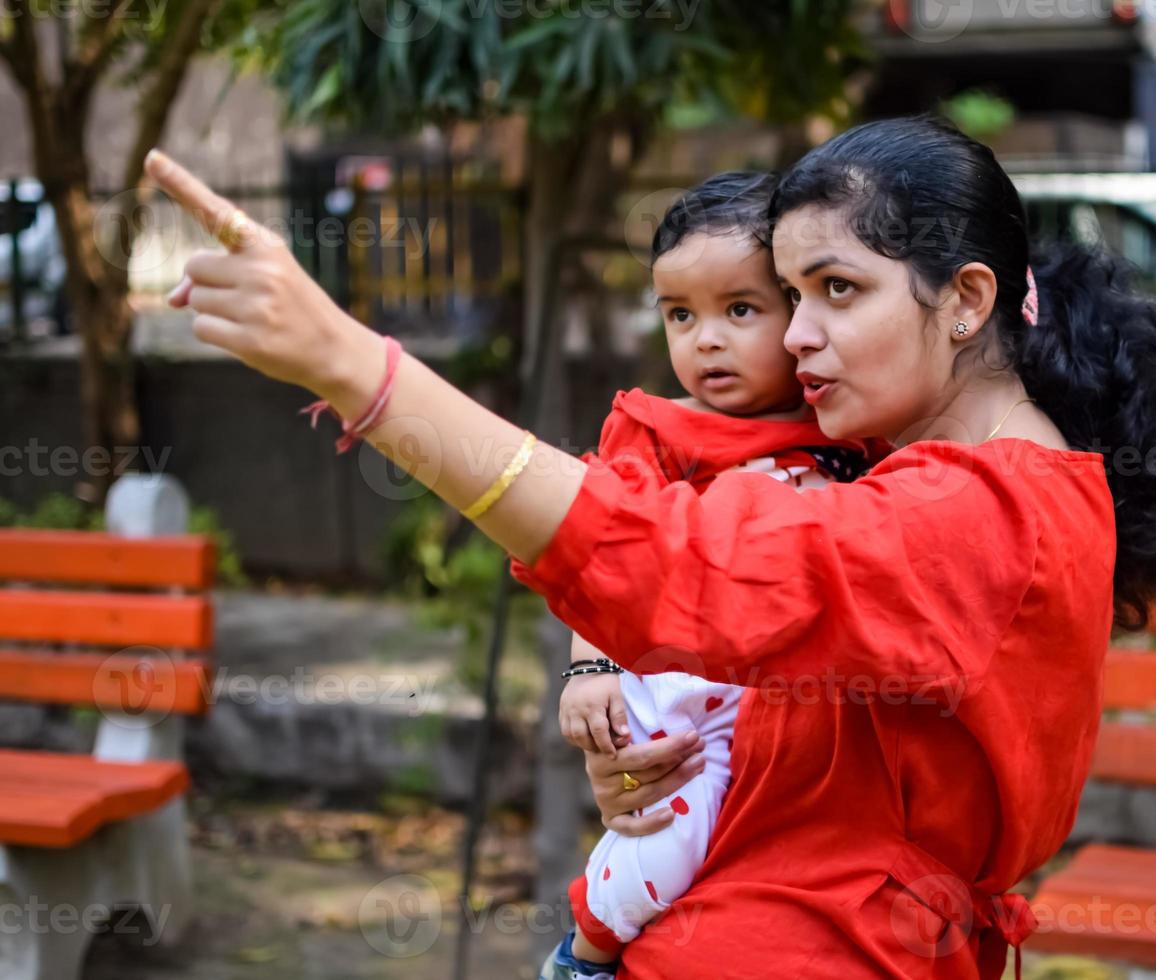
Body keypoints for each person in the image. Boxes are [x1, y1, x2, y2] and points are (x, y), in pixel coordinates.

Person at [145, 113, 1156, 979]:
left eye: (837, 289)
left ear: (968, 299)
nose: (796, 335)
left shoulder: (979, 510)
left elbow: (674, 557)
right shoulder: (934, 479)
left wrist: (355, 363)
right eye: (792, 294)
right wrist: (646, 738)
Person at [529, 172, 881, 980]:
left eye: (740, 310)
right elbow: (600, 554)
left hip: (777, 727)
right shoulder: (658, 433)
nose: (705, 339)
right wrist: (589, 668)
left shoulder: (844, 432)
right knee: (664, 846)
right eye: (680, 315)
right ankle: (582, 958)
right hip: (679, 718)